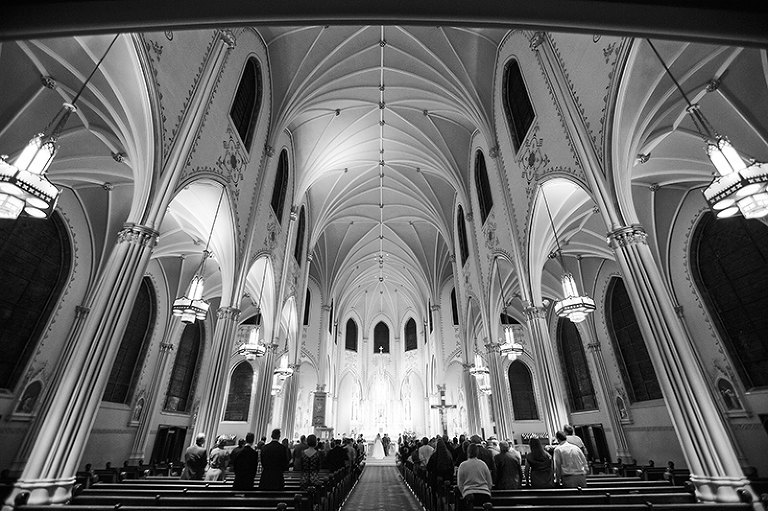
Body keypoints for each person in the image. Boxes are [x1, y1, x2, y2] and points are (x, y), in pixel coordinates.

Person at [457, 443, 493, 509]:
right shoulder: (483, 464)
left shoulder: (463, 465)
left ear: (468, 452)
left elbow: (460, 484)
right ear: (477, 452)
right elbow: (490, 483)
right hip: (484, 494)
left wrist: (464, 493)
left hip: (469, 494)